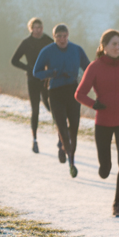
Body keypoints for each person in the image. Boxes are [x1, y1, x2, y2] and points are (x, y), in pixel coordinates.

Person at [75, 30, 119, 217]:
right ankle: (104, 168)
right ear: (104, 46)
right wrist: (93, 104)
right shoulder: (94, 67)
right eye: (114, 44)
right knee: (105, 170)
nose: (118, 47)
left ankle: (117, 204)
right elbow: (79, 94)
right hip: (103, 121)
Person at [33, 24, 89, 178]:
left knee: (74, 127)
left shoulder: (76, 50)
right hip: (55, 92)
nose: (62, 39)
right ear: (54, 37)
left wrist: (86, 82)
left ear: (68, 35)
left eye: (64, 36)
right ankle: (71, 161)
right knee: (62, 126)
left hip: (73, 91)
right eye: (59, 37)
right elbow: (36, 72)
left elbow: (88, 67)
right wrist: (52, 73)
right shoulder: (47, 51)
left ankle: (68, 152)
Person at [10, 17, 55, 153]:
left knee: (51, 106)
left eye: (40, 27)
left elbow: (56, 56)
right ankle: (34, 140)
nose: (38, 30)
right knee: (35, 110)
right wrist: (28, 68)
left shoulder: (48, 41)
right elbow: (14, 60)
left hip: (46, 79)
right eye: (35, 28)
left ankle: (62, 137)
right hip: (32, 79)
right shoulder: (26, 43)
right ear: (31, 29)